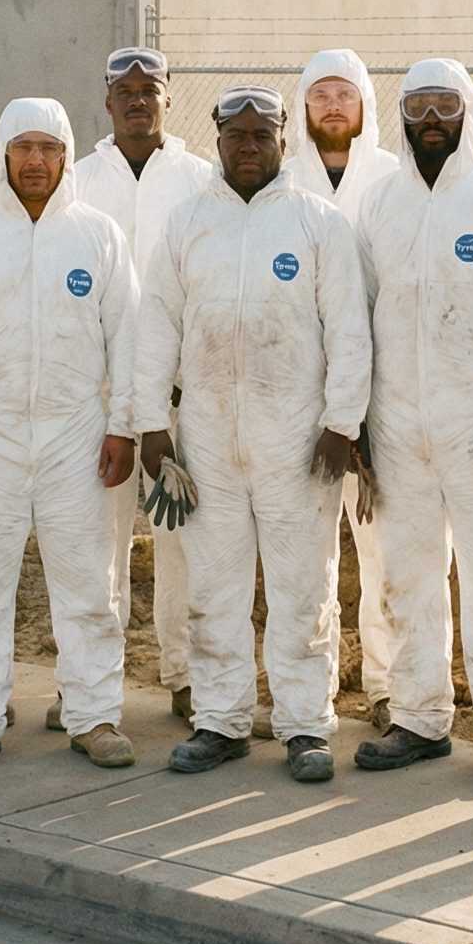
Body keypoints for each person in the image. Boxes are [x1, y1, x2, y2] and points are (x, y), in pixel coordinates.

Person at [135, 86, 371, 783]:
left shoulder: (317, 226)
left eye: (259, 135)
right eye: (234, 135)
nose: (246, 147)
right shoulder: (186, 226)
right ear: (216, 141)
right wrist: (151, 425)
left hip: (297, 444)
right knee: (216, 586)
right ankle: (222, 720)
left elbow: (349, 332)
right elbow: (155, 330)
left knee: (303, 586)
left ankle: (305, 725)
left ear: (282, 142)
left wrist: (340, 424)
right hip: (207, 442)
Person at [0, 99, 139, 773]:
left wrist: (124, 425)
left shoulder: (97, 236)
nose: (36, 161)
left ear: (67, 156)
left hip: (76, 434)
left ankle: (93, 714)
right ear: (2, 156)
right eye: (23, 148)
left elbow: (128, 337)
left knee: (85, 583)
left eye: (48, 148)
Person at [354, 60, 473, 788]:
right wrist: (362, 418)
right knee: (407, 577)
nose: (431, 118)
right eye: (417, 106)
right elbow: (359, 317)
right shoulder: (379, 204)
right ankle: (419, 717)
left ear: (467, 111)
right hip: (399, 424)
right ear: (400, 116)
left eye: (445, 104)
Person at [69, 45, 214, 724]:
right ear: (106, 102)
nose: (136, 100)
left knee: (183, 543)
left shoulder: (199, 180)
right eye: (123, 90)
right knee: (97, 545)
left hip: (178, 401)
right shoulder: (77, 179)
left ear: (166, 100)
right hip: (98, 405)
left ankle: (185, 674)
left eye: (148, 90)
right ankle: (92, 684)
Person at [284, 48, 400, 730]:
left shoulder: (391, 179)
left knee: (384, 553)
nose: (332, 105)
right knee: (308, 554)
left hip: (383, 401)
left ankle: (388, 688)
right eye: (321, 93)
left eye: (345, 94)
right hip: (299, 401)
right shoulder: (280, 181)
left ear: (364, 106)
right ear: (303, 106)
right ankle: (313, 692)